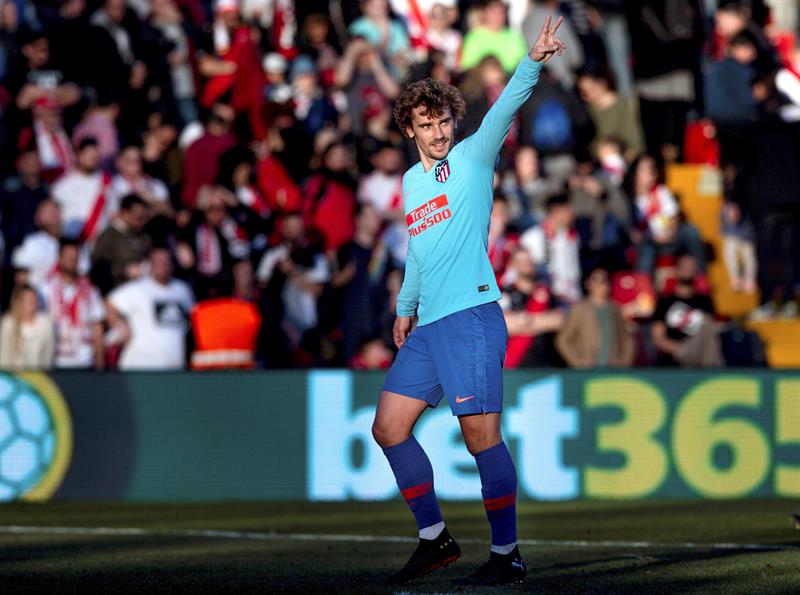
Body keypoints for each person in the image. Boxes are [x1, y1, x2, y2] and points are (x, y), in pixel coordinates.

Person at [371, 15, 566, 585]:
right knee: (388, 428)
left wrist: (532, 60)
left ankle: (507, 554)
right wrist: (405, 306)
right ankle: (435, 539)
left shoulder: (475, 157)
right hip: (428, 324)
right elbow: (419, 250)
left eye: (442, 122)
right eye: (426, 124)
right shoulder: (410, 184)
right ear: (409, 129)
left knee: (481, 439)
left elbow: (506, 105)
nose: (437, 132)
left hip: (472, 318)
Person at [106, 246, 195, 370]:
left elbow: (191, 318)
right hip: (141, 367)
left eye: (166, 261)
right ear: (150, 265)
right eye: (158, 261)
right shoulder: (137, 288)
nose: (163, 265)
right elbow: (109, 303)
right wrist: (119, 324)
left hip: (175, 367)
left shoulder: (182, 290)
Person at [40, 238, 106, 370]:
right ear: (59, 258)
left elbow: (97, 326)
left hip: (85, 361)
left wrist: (100, 362)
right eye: (68, 257)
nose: (72, 261)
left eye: (75, 257)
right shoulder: (45, 289)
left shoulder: (91, 290)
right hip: (56, 360)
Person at [651, 254, 722, 367]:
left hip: (700, 350)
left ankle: (713, 373)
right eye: (684, 267)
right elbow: (658, 338)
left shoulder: (705, 301)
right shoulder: (664, 302)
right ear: (676, 271)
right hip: (676, 353)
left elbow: (710, 330)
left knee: (708, 327)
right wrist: (679, 350)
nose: (687, 270)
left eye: (691, 267)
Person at [555, 267, 633, 368]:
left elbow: (627, 340)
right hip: (588, 370)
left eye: (605, 280)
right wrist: (576, 361)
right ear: (588, 283)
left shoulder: (615, 309)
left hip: (612, 369)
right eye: (596, 279)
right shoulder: (580, 309)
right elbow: (563, 340)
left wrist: (624, 362)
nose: (601, 284)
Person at [0, 283, 55, 370]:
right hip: (14, 377)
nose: (31, 302)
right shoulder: (8, 323)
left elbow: (48, 354)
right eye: (27, 299)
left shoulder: (45, 323)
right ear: (18, 302)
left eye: (33, 299)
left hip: (39, 377)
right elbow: (3, 356)